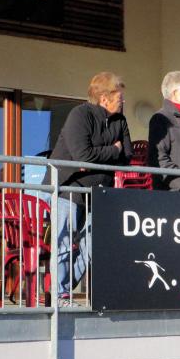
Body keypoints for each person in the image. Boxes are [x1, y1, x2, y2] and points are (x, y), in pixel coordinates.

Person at [44, 72, 133, 306]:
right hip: (69, 188)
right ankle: (59, 295)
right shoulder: (80, 115)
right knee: (63, 242)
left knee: (93, 245)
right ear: (104, 98)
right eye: (119, 97)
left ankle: (61, 290)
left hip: (99, 192)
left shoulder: (120, 120)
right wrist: (112, 150)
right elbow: (82, 156)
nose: (123, 101)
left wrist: (101, 157)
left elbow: (127, 156)